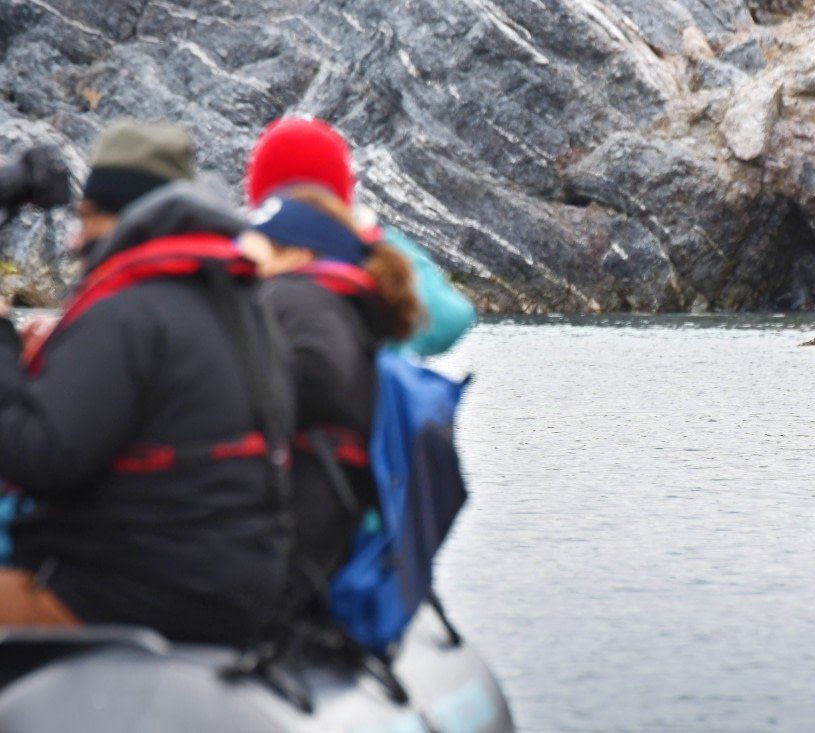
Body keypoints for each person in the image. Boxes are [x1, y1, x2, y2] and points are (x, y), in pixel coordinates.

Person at [0, 119, 295, 645]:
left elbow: (36, 457)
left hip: (128, 594)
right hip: (227, 586)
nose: (73, 240)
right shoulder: (237, 302)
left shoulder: (129, 313)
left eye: (86, 218)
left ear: (122, 218)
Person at [238, 142, 421, 622]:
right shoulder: (348, 306)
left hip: (285, 548)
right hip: (335, 535)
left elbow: (312, 380)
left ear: (295, 252)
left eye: (256, 242)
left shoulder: (297, 302)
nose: (240, 253)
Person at [244, 116, 476, 359]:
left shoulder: (244, 263)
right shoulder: (368, 256)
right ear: (343, 193)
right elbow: (453, 317)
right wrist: (371, 240)